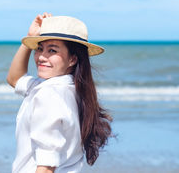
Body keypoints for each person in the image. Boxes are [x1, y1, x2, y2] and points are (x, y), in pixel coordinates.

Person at [7, 13, 112, 173]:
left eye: (52, 50)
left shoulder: (49, 94)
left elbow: (47, 165)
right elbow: (15, 79)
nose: (41, 57)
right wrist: (29, 39)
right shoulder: (72, 90)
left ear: (73, 59)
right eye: (39, 49)